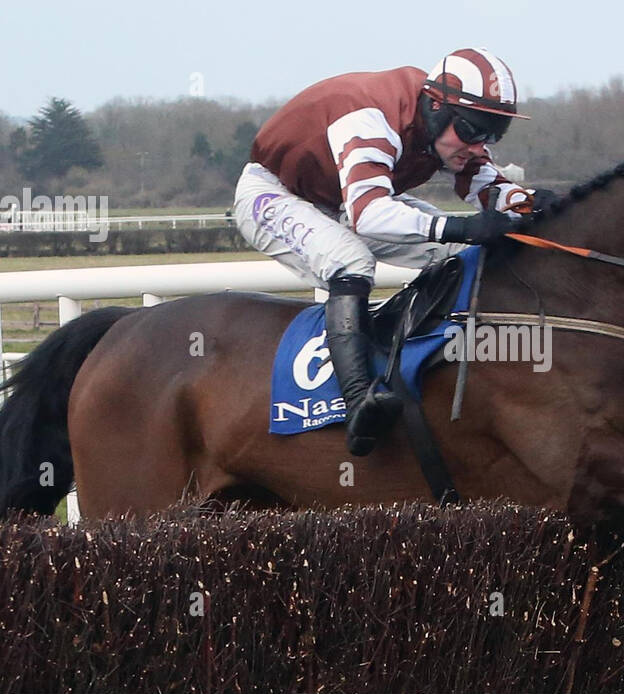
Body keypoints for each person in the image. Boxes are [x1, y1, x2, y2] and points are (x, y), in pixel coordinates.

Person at [235, 47, 550, 457]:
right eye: (474, 131)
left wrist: (527, 203)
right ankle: (357, 401)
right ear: (436, 107)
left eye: (493, 135)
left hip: (342, 198)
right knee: (351, 262)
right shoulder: (372, 118)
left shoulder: (444, 124)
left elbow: (485, 185)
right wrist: (461, 225)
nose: (479, 145)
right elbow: (367, 215)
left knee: (455, 251)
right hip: (274, 193)